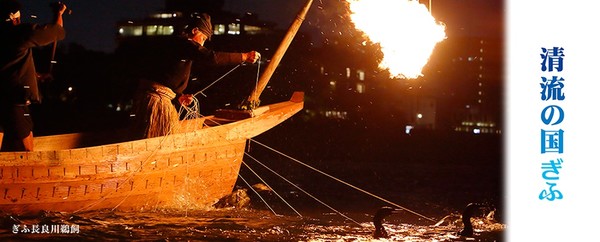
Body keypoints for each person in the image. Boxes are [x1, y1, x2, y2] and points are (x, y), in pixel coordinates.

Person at [131, 13, 260, 139]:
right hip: (156, 101)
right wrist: (244, 56)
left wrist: (178, 98)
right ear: (195, 30)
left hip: (162, 98)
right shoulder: (183, 43)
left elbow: (166, 76)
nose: (202, 44)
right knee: (159, 139)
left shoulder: (182, 48)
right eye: (203, 38)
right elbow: (212, 58)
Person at [0, 0, 67, 151]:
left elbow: (9, 68)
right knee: (27, 150)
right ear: (15, 19)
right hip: (14, 100)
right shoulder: (19, 33)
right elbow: (56, 32)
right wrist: (58, 13)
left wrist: (36, 76)